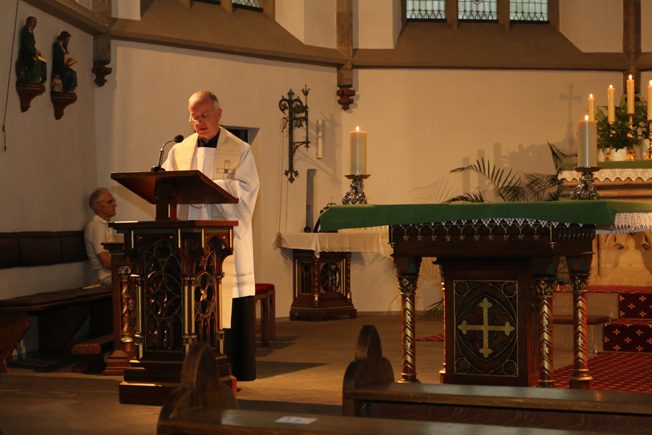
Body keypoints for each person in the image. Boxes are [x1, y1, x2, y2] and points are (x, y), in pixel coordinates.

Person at [163, 90, 260, 381]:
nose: (199, 122)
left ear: (218, 114)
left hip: (225, 240)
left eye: (204, 116)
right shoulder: (178, 150)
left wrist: (211, 187)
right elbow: (166, 185)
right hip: (190, 241)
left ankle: (230, 366)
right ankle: (191, 365)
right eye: (194, 117)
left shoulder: (240, 149)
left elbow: (248, 189)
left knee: (228, 297)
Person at [84, 188, 117, 287]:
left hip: (115, 275)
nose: (115, 205)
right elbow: (106, 262)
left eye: (114, 201)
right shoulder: (96, 227)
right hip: (109, 277)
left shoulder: (105, 225)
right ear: (98, 206)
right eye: (110, 202)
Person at [18, 16, 47, 85]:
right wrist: (35, 52)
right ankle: (34, 80)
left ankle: (41, 80)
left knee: (43, 61)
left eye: (35, 21)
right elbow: (27, 45)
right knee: (36, 61)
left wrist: (37, 52)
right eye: (33, 21)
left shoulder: (31, 32)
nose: (35, 23)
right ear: (29, 21)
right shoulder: (25, 31)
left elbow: (32, 46)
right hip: (26, 53)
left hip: (31, 53)